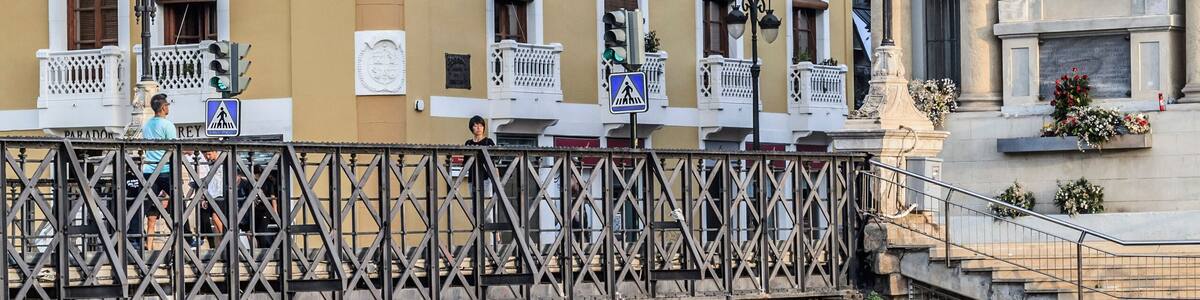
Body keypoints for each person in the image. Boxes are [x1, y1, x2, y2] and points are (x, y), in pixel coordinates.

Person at [141, 94, 188, 249]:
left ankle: (134, 236)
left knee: (144, 206)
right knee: (179, 204)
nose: (168, 107)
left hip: (149, 170)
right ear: (163, 107)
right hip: (166, 170)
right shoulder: (167, 125)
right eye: (167, 105)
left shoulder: (146, 125)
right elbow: (172, 147)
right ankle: (186, 237)